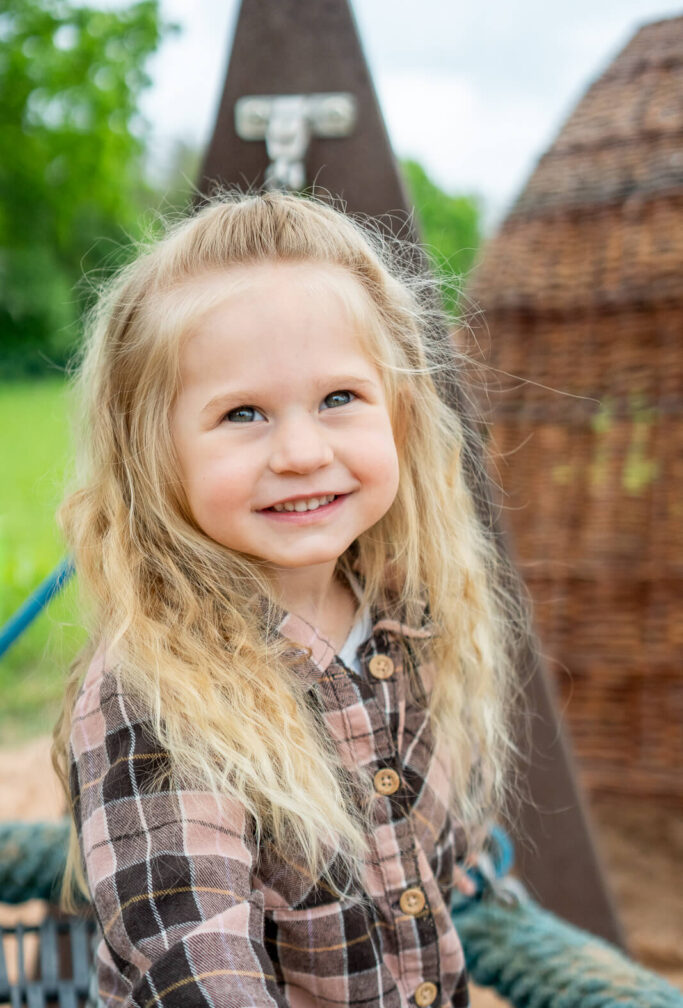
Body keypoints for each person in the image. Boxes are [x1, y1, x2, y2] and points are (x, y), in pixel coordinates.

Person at [52, 191, 527, 1008]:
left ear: (400, 414)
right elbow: (199, 969)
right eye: (243, 413)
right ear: (152, 454)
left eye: (339, 398)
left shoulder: (408, 622)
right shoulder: (156, 693)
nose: (303, 452)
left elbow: (427, 852)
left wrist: (476, 880)